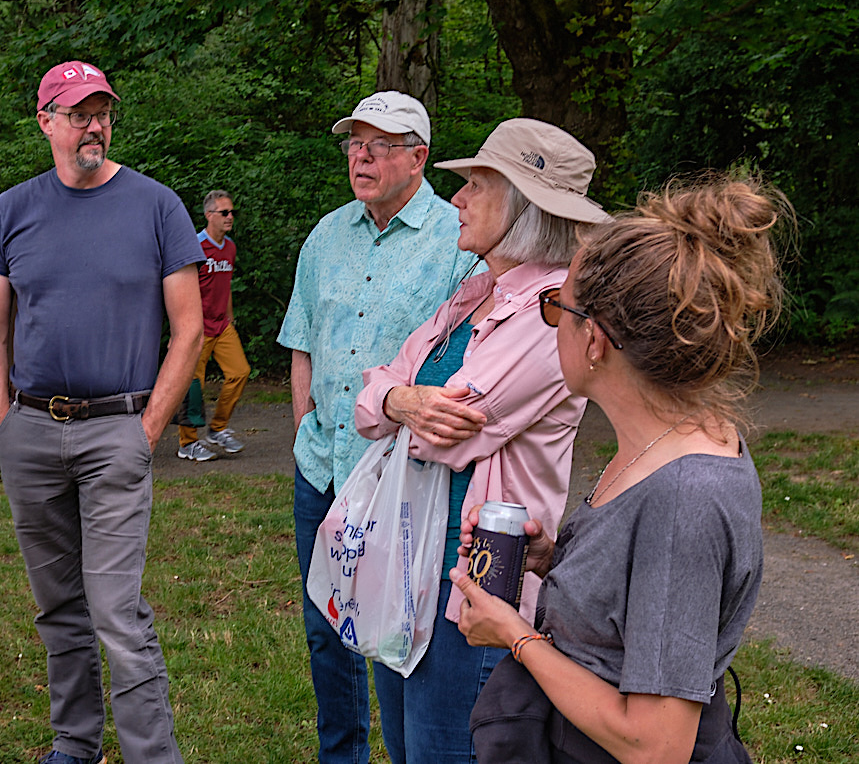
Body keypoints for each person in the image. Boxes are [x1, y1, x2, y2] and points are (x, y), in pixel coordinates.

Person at [451, 174, 780, 764]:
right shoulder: (660, 443)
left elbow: (654, 745)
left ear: (595, 339)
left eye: (557, 308)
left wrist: (513, 635)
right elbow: (646, 591)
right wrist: (556, 560)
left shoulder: (685, 496)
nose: (551, 324)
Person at [353, 118, 612, 764]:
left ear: (524, 207)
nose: (458, 199)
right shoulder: (474, 294)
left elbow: (447, 437)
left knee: (447, 751)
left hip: (476, 584)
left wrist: (398, 405)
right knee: (407, 747)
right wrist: (399, 399)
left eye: (475, 185)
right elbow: (367, 400)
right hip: (411, 565)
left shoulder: (553, 312)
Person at [0, 60, 202, 764]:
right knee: (57, 607)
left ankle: (149, 756)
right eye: (76, 112)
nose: (92, 124)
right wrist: (5, 428)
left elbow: (189, 327)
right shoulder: (13, 209)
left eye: (101, 111)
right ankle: (74, 743)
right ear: (45, 122)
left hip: (116, 431)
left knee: (116, 612)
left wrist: (148, 429)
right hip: (32, 431)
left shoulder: (156, 205)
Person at [277, 90, 480, 764]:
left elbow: (472, 358)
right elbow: (302, 339)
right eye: (353, 143)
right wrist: (305, 422)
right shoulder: (325, 234)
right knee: (325, 628)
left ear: (417, 158)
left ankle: (405, 746)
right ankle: (342, 754)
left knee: (397, 623)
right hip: (324, 466)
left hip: (404, 476)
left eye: (379, 144)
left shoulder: (460, 240)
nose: (359, 155)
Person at [177, 188, 252, 461]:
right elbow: (181, 288)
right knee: (193, 384)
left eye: (232, 212)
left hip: (222, 326)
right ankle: (187, 443)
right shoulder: (194, 246)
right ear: (209, 215)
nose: (230, 216)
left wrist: (229, 316)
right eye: (224, 212)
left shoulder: (229, 247)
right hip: (197, 328)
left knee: (240, 372)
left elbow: (226, 285)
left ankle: (217, 429)